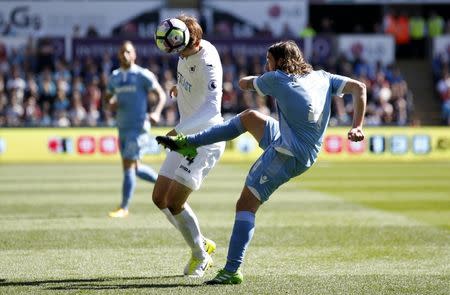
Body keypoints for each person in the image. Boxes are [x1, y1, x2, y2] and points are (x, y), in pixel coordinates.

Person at [156, 40, 367, 284]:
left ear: (278, 62)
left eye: (269, 60)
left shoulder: (276, 78)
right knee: (250, 117)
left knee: (246, 204)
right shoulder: (322, 76)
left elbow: (244, 83)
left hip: (288, 153)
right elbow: (359, 87)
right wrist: (357, 126)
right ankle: (192, 141)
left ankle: (232, 270)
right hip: (297, 141)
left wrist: (258, 79)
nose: (267, 65)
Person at [151, 15, 226, 277]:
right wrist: (179, 88)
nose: (175, 54)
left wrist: (177, 130)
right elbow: (194, 87)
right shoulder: (185, 53)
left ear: (189, 39)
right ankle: (201, 241)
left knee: (174, 201)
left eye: (177, 48)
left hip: (205, 138)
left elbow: (211, 108)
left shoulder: (207, 60)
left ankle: (200, 255)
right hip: (186, 137)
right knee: (159, 197)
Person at [105, 41, 166, 218]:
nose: (125, 55)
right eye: (122, 52)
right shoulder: (115, 77)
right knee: (136, 168)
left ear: (134, 55)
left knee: (128, 166)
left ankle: (124, 207)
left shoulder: (142, 75)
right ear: (119, 55)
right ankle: (167, 185)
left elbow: (161, 95)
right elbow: (107, 98)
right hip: (122, 127)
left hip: (138, 128)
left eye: (128, 52)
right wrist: (110, 103)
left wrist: (156, 113)